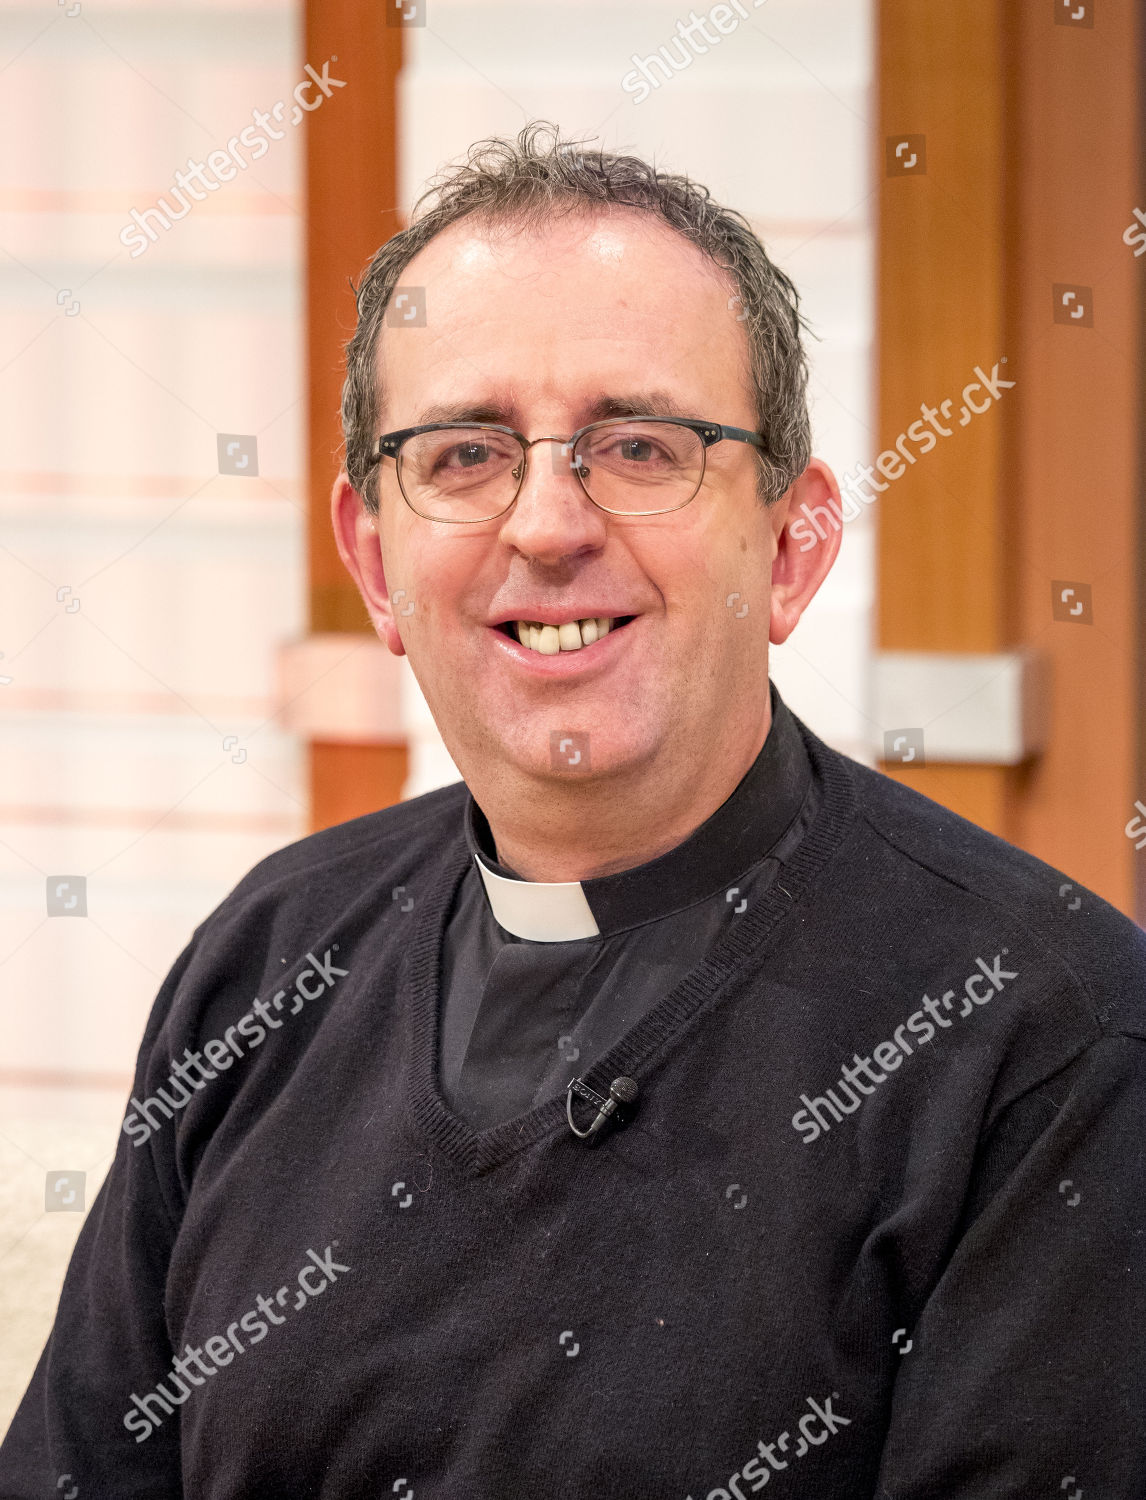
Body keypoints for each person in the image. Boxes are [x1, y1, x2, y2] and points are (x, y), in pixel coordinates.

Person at [3, 120, 1145, 1499]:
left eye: (640, 444)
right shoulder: (266, 956)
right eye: (465, 454)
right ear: (374, 563)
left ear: (791, 546)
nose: (546, 524)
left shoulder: (1045, 1038)